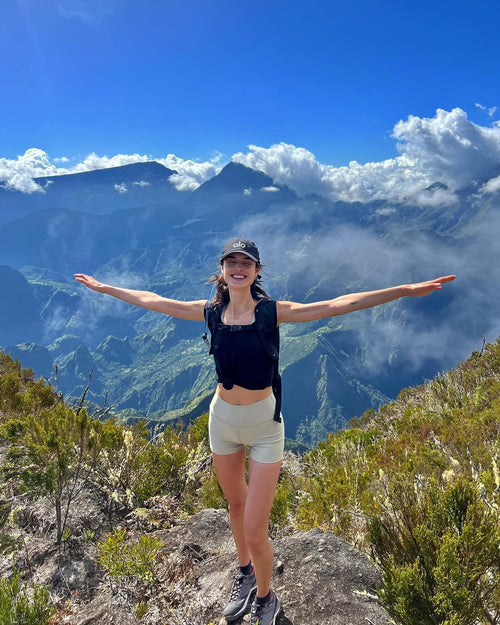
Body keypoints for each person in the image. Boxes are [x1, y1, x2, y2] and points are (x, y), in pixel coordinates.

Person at [75, 237, 455, 625]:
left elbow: (340, 304)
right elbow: (151, 299)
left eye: (246, 262)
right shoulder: (210, 312)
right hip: (221, 421)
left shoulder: (272, 313)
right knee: (235, 506)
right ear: (222, 270)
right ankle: (244, 573)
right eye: (231, 261)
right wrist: (106, 288)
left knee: (256, 530)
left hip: (264, 428)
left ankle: (265, 595)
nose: (238, 267)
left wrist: (404, 290)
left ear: (257, 271)